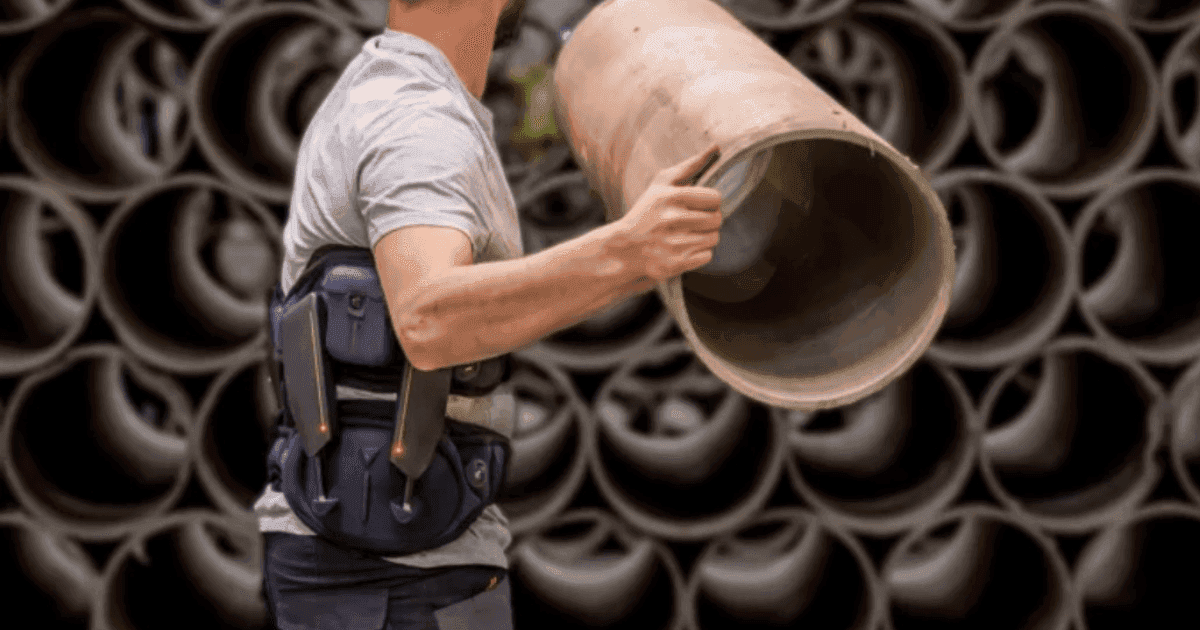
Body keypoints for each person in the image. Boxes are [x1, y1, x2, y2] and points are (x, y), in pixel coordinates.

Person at [254, 0, 726, 627]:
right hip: (393, 574)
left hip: (380, 557)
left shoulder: (385, 89)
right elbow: (430, 320)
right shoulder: (418, 120)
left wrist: (631, 261)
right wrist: (628, 251)